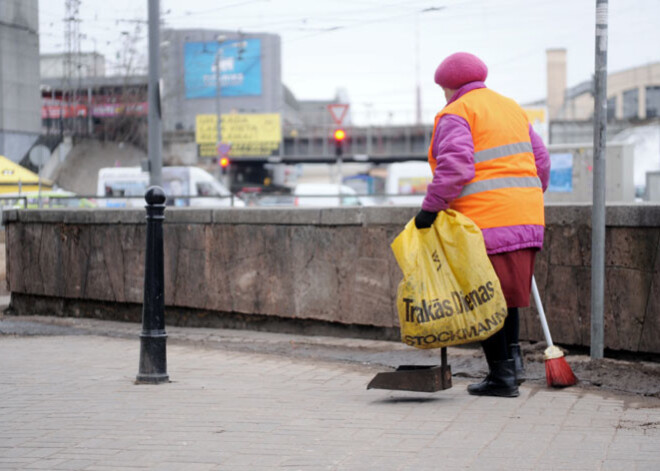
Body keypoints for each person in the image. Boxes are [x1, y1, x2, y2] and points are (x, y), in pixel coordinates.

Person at [415, 52, 550, 398]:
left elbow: (456, 166)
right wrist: (526, 198)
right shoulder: (511, 108)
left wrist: (431, 209)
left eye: (443, 88)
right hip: (527, 217)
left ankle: (501, 378)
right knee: (509, 297)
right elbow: (542, 161)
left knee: (485, 298)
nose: (443, 94)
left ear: (449, 86)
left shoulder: (456, 112)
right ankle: (513, 366)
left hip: (484, 221)